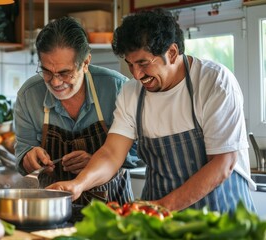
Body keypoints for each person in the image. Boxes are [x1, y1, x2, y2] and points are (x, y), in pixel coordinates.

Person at [48, 8, 256, 213]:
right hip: (160, 221)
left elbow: (223, 163)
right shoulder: (132, 93)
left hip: (220, 217)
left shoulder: (214, 82)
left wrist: (162, 208)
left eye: (143, 63)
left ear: (172, 53)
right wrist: (79, 184)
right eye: (130, 64)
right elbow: (111, 154)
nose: (137, 75)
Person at [14, 17, 138, 205]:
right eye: (47, 71)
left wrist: (96, 161)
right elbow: (23, 151)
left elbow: (139, 152)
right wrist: (29, 158)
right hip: (51, 208)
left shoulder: (117, 88)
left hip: (113, 208)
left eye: (65, 73)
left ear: (86, 62)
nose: (55, 82)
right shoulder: (29, 95)